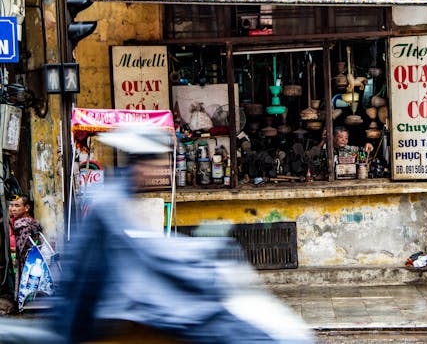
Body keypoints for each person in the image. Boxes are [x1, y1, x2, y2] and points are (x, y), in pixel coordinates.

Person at [51, 125, 314, 343]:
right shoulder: (109, 204)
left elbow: (147, 245)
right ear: (142, 164)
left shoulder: (119, 196)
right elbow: (140, 257)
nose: (162, 170)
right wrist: (196, 257)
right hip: (113, 310)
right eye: (159, 162)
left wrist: (200, 249)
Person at [8, 194, 42, 292]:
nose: (13, 209)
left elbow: (19, 249)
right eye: (11, 205)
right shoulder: (29, 221)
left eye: (17, 206)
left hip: (26, 264)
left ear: (26, 208)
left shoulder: (23, 225)